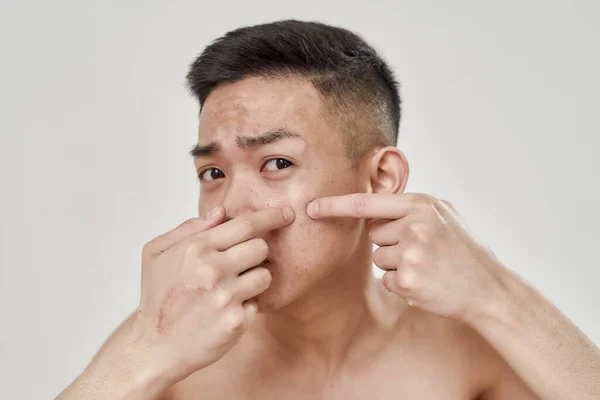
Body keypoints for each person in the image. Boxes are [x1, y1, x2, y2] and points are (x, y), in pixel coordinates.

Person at [57, 20, 600, 400]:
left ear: (380, 179)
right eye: (214, 173)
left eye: (275, 163)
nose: (234, 207)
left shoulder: (466, 348)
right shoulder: (168, 341)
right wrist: (140, 356)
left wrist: (497, 294)